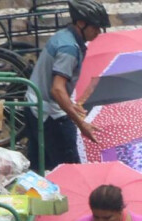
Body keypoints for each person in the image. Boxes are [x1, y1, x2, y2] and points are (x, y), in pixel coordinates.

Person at [25, 0, 109, 170]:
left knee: (38, 165)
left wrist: (70, 105)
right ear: (81, 23)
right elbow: (57, 89)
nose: (98, 32)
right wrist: (81, 123)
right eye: (95, 27)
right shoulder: (68, 48)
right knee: (69, 169)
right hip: (49, 115)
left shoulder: (64, 35)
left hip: (34, 105)